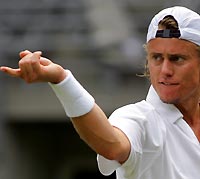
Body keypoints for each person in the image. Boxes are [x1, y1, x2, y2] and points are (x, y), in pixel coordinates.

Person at [1, 5, 200, 179]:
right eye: (157, 58)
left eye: (177, 59)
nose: (165, 70)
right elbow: (112, 146)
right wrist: (62, 81)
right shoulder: (139, 119)